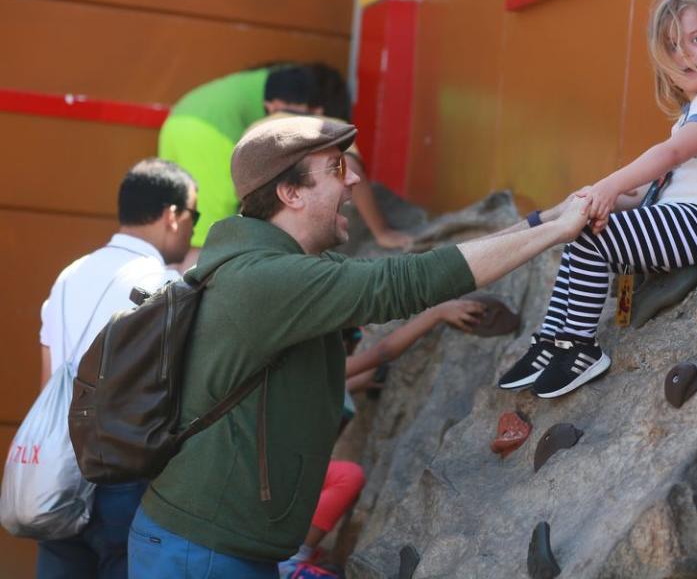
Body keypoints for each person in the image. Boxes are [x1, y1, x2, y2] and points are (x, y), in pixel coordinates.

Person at [127, 115, 591, 577]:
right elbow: (410, 281)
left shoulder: (272, 265)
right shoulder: (269, 279)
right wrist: (556, 231)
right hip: (201, 552)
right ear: (290, 193)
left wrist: (548, 219)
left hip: (215, 543)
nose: (353, 180)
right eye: (335, 168)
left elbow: (422, 270)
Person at [497, 0, 697, 398]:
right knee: (579, 227)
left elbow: (670, 155)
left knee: (590, 237)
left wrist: (610, 185)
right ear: (665, 68)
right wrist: (606, 199)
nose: (685, 53)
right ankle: (553, 340)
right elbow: (664, 185)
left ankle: (581, 347)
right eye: (672, 46)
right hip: (682, 217)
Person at [37, 159, 197, 578]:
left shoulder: (69, 275)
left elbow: (48, 379)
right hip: (122, 475)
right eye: (194, 216)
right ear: (173, 215)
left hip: (60, 469)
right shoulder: (161, 283)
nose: (193, 229)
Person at [278, 298, 486, 577]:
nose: (349, 347)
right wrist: (436, 314)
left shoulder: (308, 373)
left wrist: (356, 385)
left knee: (341, 475)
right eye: (347, 339)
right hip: (282, 484)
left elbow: (328, 393)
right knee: (348, 476)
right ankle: (290, 561)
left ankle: (292, 555)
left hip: (281, 481)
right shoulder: (314, 367)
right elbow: (382, 352)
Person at [158, 64, 409, 270]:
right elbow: (350, 162)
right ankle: (189, 296)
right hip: (207, 131)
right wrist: (382, 232)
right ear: (316, 110)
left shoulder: (271, 93)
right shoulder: (310, 124)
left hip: (177, 121)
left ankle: (172, 288)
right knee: (206, 237)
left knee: (184, 219)